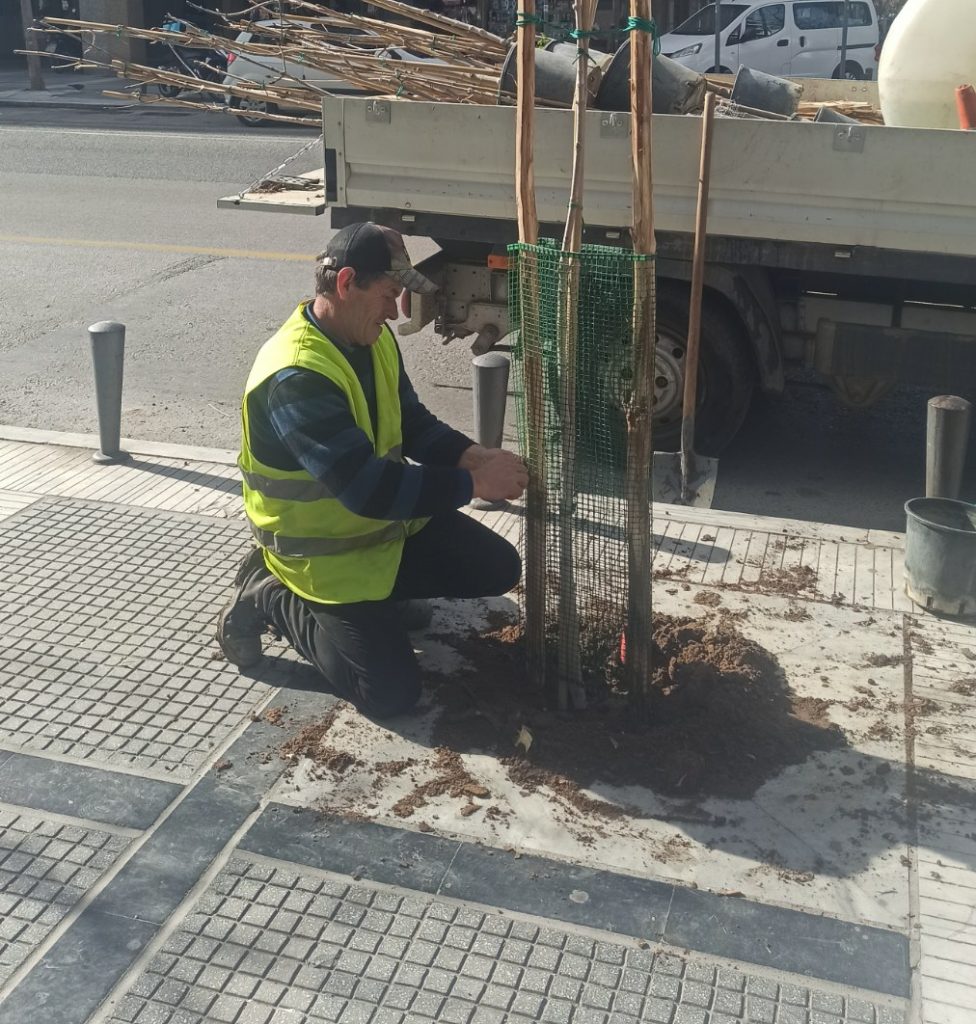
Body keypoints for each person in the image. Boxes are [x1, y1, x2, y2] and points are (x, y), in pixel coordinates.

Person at [216, 222, 528, 718]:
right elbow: (368, 490)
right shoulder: (296, 375)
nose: (395, 310)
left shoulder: (372, 338)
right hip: (323, 560)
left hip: (380, 533)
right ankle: (270, 594)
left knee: (498, 567)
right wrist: (472, 484)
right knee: (390, 694)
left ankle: (381, 599)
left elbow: (411, 422)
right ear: (345, 285)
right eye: (389, 294)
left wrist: (472, 456)